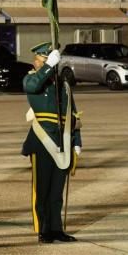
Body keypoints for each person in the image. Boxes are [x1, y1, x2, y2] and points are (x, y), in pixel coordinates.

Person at [22, 42, 82, 244]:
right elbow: (33, 86)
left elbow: (73, 115)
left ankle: (57, 229)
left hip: (62, 140)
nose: (50, 64)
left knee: (57, 190)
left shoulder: (62, 85)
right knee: (42, 189)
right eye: (45, 59)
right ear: (37, 60)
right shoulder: (32, 78)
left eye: (52, 60)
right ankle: (44, 229)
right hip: (42, 141)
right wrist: (48, 68)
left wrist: (76, 141)